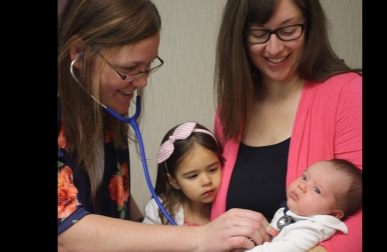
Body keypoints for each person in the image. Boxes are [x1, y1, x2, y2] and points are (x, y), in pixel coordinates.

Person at [57, 0, 274, 251]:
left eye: (147, 67)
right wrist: (201, 237)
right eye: (129, 69)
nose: (142, 82)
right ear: (79, 52)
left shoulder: (105, 111)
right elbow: (65, 232)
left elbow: (114, 198)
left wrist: (148, 224)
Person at [210, 0, 362, 252]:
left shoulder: (349, 93)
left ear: (310, 26)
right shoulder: (229, 112)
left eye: (289, 30)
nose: (274, 47)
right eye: (259, 33)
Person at [233, 159, 362, 252]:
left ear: (334, 214)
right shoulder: (294, 212)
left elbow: (281, 249)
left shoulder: (311, 229)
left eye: (316, 190)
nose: (302, 185)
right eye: (305, 177)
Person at [143, 122, 223, 226]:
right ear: (173, 181)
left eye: (212, 170)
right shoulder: (160, 210)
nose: (207, 181)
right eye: (193, 176)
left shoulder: (232, 202)